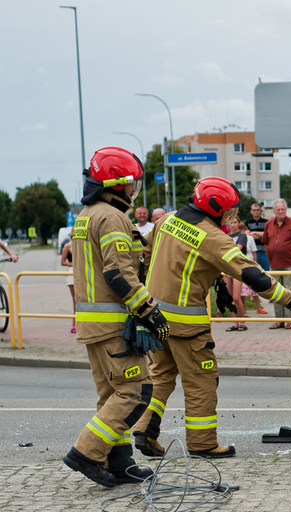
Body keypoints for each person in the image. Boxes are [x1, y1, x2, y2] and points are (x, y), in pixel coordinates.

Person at [132, 177, 291, 459]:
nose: (230, 217)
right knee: (201, 382)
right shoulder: (212, 237)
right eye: (228, 212)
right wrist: (290, 299)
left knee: (161, 377)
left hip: (155, 318)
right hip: (187, 326)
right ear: (214, 209)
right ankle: (202, 444)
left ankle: (145, 429)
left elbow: (148, 254)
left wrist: (210, 282)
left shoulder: (166, 221)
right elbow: (250, 273)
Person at [63, 146, 169, 488]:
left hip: (94, 324)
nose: (132, 190)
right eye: (130, 184)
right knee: (136, 391)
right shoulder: (111, 217)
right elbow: (119, 274)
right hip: (112, 326)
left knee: (112, 394)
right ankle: (86, 452)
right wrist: (149, 310)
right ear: (117, 184)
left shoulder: (86, 215)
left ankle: (120, 461)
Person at [262, 199, 291, 330]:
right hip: (274, 263)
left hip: (290, 263)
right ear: (274, 211)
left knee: (289, 292)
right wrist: (270, 258)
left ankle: (290, 320)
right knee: (275, 293)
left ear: (286, 210)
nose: (280, 212)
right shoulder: (269, 224)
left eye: (283, 209)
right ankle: (279, 320)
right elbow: (265, 243)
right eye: (278, 209)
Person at [225, 217, 248, 331]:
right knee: (229, 298)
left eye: (235, 222)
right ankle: (235, 323)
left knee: (236, 297)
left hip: (238, 268)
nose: (233, 225)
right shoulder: (226, 236)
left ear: (239, 223)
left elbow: (237, 249)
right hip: (227, 268)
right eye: (231, 223)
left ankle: (242, 321)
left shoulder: (242, 235)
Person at [245, 203, 269, 271]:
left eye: (257, 210)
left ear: (260, 211)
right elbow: (247, 235)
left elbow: (268, 235)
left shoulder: (266, 222)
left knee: (266, 272)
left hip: (265, 251)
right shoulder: (247, 223)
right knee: (255, 272)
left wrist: (254, 232)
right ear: (251, 211)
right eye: (254, 210)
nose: (256, 212)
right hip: (253, 252)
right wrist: (262, 234)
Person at [60, 240, 75, 333]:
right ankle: (74, 323)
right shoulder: (68, 246)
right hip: (72, 272)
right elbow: (62, 262)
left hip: (82, 271)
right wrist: (72, 264)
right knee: (76, 300)